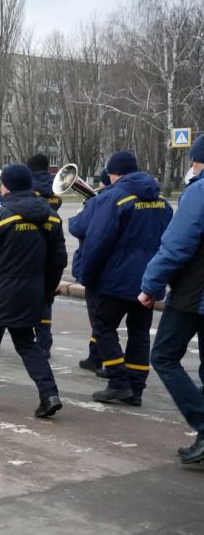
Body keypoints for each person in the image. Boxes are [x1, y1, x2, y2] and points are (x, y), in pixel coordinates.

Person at [0, 164, 67, 418]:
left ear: (6, 186)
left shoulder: (1, 216)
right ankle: (49, 394)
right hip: (30, 294)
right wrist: (46, 292)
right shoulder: (51, 216)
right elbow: (58, 261)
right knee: (28, 344)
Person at [77, 151, 171, 406]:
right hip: (149, 280)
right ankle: (136, 389)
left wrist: (87, 275)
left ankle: (118, 382)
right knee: (139, 333)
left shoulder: (115, 198)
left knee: (103, 327)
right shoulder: (162, 201)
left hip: (115, 279)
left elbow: (97, 240)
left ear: (113, 173)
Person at [140, 135, 204, 463]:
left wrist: (150, 286)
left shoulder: (199, 192)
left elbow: (176, 247)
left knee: (164, 356)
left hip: (195, 294)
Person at [69, 169, 111, 374]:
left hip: (100, 270)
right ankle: (97, 355)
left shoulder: (98, 202)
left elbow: (78, 228)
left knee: (99, 318)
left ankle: (103, 361)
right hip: (126, 271)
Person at [26, 153, 62, 359]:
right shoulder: (55, 186)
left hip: (30, 242)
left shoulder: (28, 185)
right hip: (51, 240)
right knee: (46, 296)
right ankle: (44, 342)